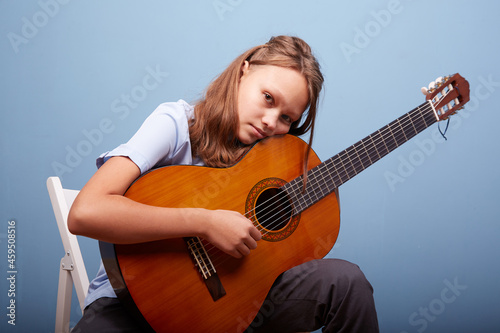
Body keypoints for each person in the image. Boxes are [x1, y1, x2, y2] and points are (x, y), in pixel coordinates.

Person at [68, 35, 379, 333]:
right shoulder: (177, 125)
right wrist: (204, 222)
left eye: (287, 118)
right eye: (268, 98)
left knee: (346, 281)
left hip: (237, 309)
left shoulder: (278, 162)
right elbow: (86, 212)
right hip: (134, 306)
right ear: (244, 71)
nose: (272, 121)